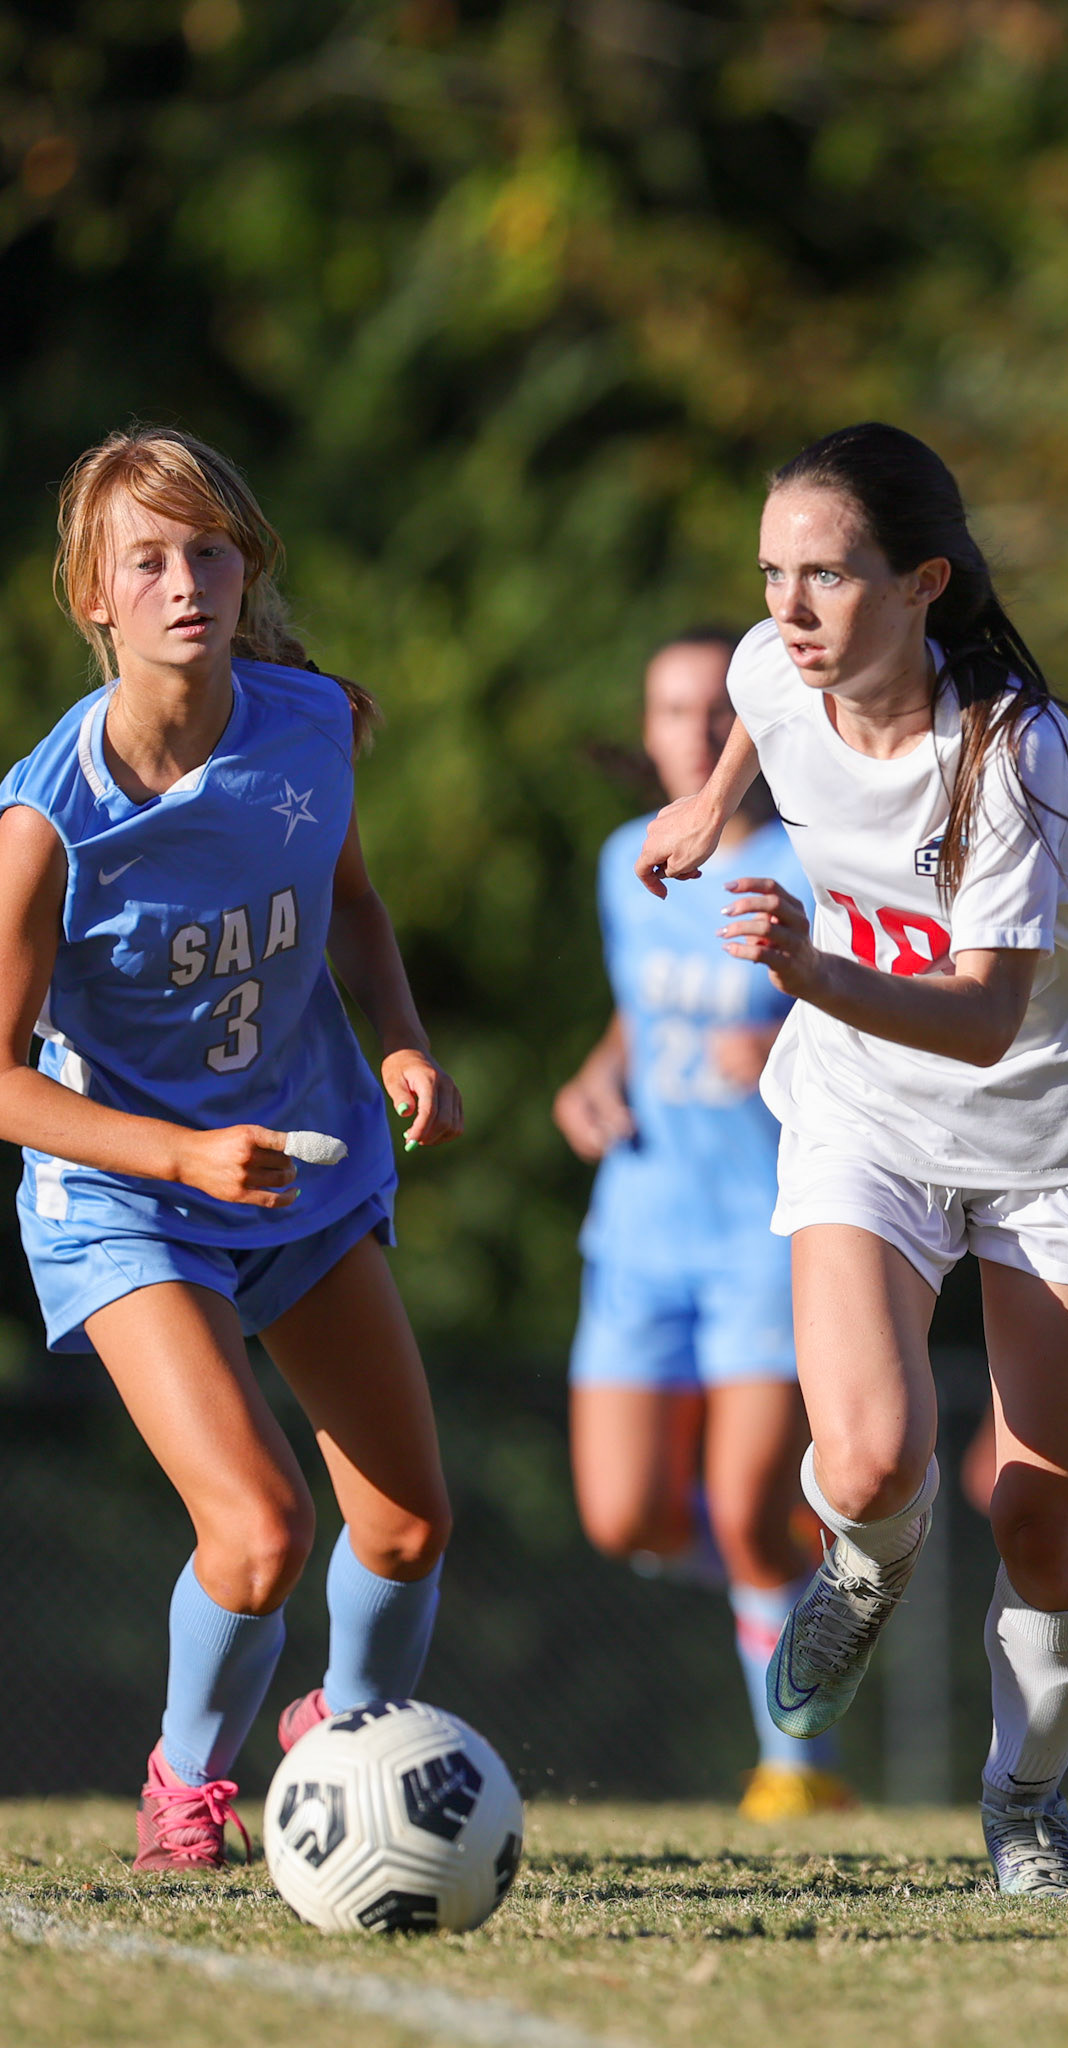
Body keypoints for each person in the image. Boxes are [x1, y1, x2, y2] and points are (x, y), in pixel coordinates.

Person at [635, 422, 1068, 1896]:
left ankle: (1023, 1798)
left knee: (1044, 1510)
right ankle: (861, 1569)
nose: (790, 610)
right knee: (868, 1462)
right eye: (772, 574)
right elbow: (754, 702)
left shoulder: (1009, 750)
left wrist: (807, 968)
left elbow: (990, 1020)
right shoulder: (768, 663)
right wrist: (707, 800)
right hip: (868, 1111)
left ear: (924, 581)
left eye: (829, 577)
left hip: (1054, 1130)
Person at [0, 427, 460, 1870]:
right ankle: (185, 1792)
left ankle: (355, 1761)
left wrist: (399, 1038)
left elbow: (356, 907)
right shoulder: (45, 821)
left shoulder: (306, 721)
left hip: (300, 1161)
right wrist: (179, 1157)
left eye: (208, 549)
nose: (187, 580)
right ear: (93, 597)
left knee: (402, 1534)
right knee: (260, 1531)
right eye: (149, 559)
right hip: (126, 1197)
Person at [555, 629, 852, 1818]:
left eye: (718, 712)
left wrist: (790, 1036)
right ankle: (802, 1585)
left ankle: (799, 1770)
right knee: (622, 1514)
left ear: (756, 733)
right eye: (673, 709)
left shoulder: (809, 867)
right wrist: (596, 1073)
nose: (696, 731)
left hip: (760, 1239)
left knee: (742, 1510)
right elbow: (640, 1009)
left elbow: (885, 1012)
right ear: (649, 727)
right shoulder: (627, 857)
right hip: (636, 1230)